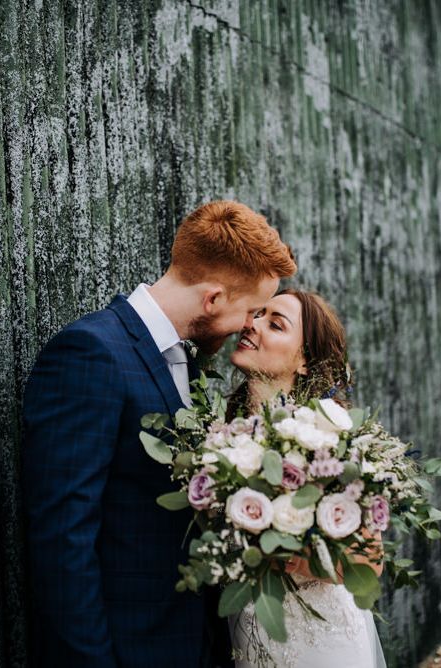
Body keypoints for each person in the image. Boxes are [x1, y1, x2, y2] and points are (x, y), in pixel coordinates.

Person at [22, 201, 297, 668]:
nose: (246, 327)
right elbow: (61, 542)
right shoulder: (91, 353)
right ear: (213, 299)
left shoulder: (183, 362)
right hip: (129, 650)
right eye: (249, 311)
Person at [227, 289, 387, 668]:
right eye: (257, 313)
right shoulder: (226, 432)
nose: (252, 324)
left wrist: (287, 555)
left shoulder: (328, 430)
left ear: (304, 361)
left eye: (275, 323)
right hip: (250, 634)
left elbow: (370, 561)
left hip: (318, 642)